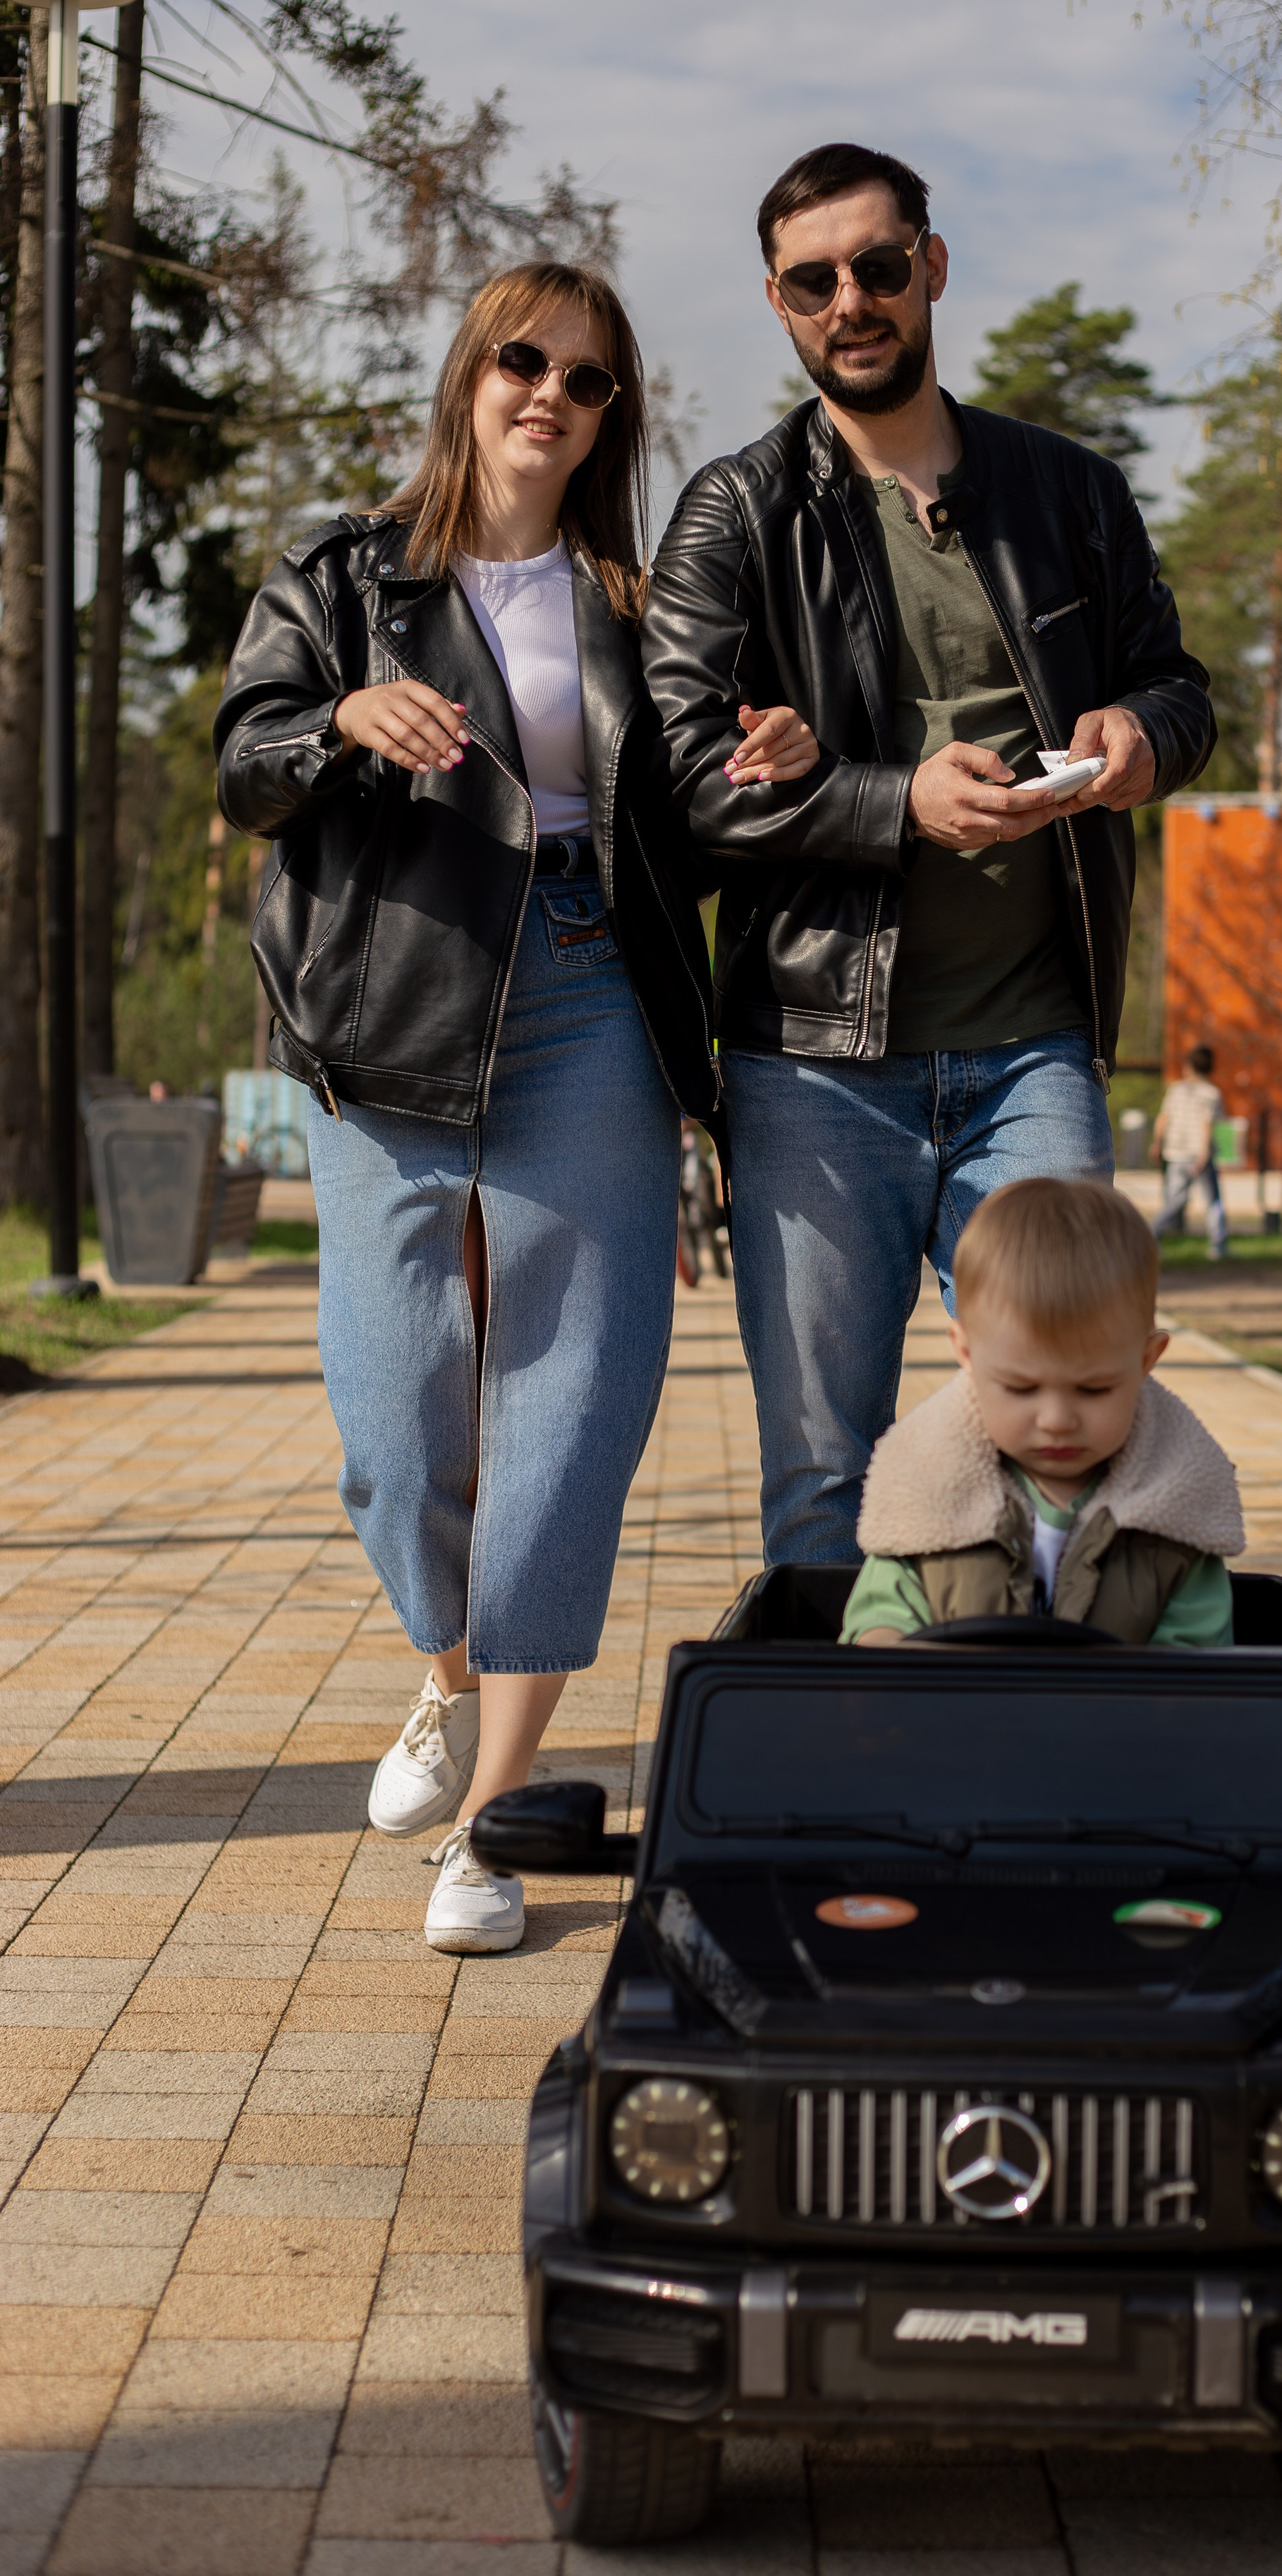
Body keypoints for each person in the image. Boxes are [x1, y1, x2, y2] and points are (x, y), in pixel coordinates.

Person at [215, 260, 817, 1955]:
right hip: (387, 1008)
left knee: (571, 1403)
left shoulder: (638, 599)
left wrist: (752, 764)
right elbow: (241, 756)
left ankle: (488, 1822)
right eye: (521, 361)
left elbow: (682, 812)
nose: (550, 392)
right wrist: (338, 716)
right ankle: (443, 1665)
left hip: (587, 994)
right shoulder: (344, 572)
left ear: (615, 414)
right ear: (468, 376)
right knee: (397, 1412)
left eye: (590, 376)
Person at [642, 141, 1217, 1569]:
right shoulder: (734, 513)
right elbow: (679, 786)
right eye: (813, 279)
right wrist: (898, 803)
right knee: (824, 1484)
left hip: (1033, 1058)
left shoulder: (1066, 491)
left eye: (879, 267)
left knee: (1068, 1456)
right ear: (776, 301)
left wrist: (1143, 738)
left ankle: (1040, 1768)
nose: (852, 299)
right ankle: (831, 1777)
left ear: (931, 269)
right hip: (810, 1069)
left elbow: (1177, 687)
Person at [842, 1177, 1243, 1644]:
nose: (1056, 1419)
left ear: (1146, 1362)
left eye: (1093, 1390)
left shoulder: (1177, 1509)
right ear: (967, 1355)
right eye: (1021, 1387)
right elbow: (878, 1625)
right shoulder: (925, 1487)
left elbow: (1197, 1671)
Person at [1152, 1039, 1230, 1254]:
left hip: (1176, 1153)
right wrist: (1205, 1152)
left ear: (1189, 1066)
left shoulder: (1176, 1090)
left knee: (1175, 1200)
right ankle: (1218, 1245)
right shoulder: (1212, 1094)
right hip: (1198, 1154)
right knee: (1213, 1200)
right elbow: (1207, 1125)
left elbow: (1164, 1118)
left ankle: (1151, 1233)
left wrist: (1157, 1143)